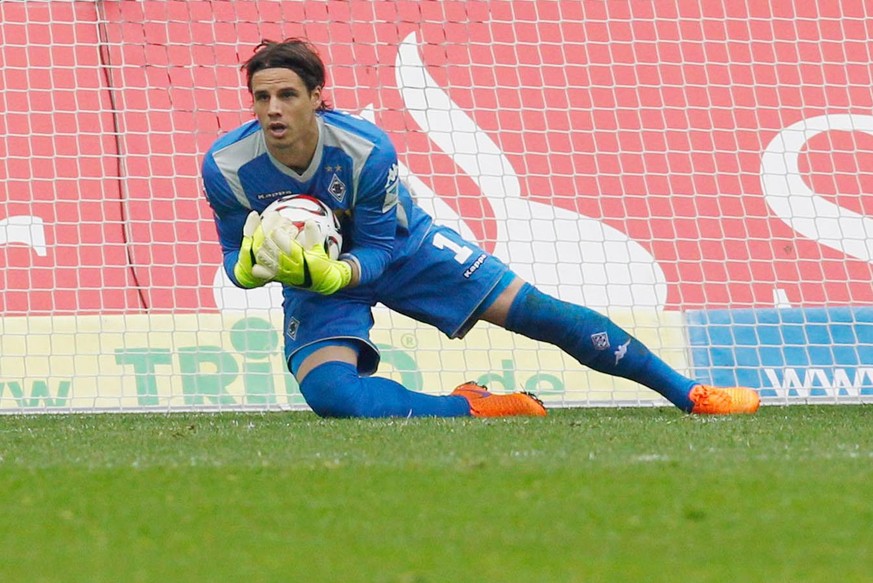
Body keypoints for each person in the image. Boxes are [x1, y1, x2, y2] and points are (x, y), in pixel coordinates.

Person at [202, 38, 761, 419]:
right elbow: (233, 252)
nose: (273, 109)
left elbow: (378, 244)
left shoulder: (366, 149)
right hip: (313, 281)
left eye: (287, 95)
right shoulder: (226, 166)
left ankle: (692, 395)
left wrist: (340, 271)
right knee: (331, 397)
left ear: (318, 96)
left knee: (542, 313)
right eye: (262, 97)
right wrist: (249, 270)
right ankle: (469, 405)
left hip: (405, 250)